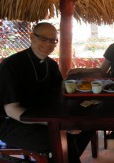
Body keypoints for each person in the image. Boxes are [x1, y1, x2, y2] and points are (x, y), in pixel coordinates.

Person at [0, 22, 94, 163]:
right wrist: (56, 124)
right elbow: (12, 110)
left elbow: (60, 96)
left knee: (88, 127)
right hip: (13, 123)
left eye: (53, 40)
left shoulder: (51, 65)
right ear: (32, 37)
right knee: (63, 138)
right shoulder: (11, 65)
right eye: (43, 38)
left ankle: (62, 157)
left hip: (45, 117)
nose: (48, 44)